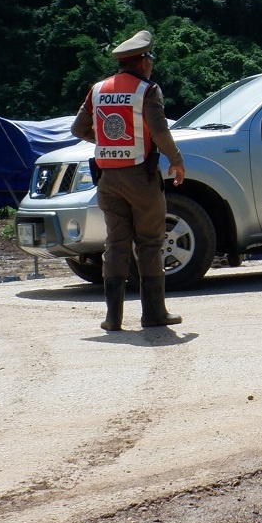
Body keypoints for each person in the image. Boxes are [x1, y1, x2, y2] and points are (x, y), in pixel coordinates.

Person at [71, 29, 187, 332]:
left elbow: (78, 128)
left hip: (108, 179)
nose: (152, 64)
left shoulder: (98, 89)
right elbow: (159, 131)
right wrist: (176, 160)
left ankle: (113, 318)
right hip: (140, 178)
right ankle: (154, 314)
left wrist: (106, 140)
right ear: (142, 61)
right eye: (150, 58)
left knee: (116, 244)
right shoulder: (147, 90)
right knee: (149, 243)